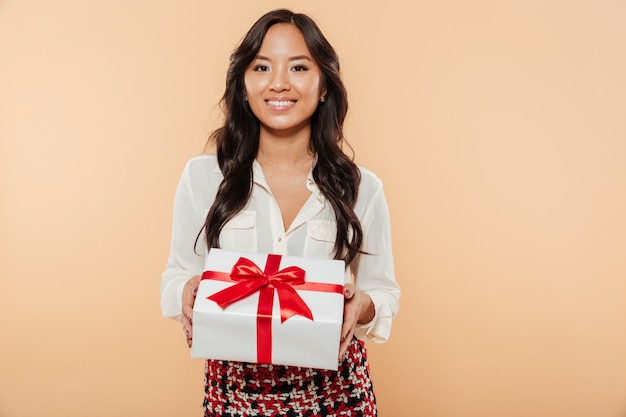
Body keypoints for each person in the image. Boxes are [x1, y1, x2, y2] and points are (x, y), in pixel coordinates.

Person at [161, 8, 400, 416]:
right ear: (243, 84)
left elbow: (384, 292)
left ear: (323, 84)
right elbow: (177, 275)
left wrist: (362, 306)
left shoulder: (363, 188)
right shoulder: (203, 176)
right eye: (262, 67)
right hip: (235, 392)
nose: (279, 83)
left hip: (335, 392)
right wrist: (185, 292)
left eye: (299, 67)